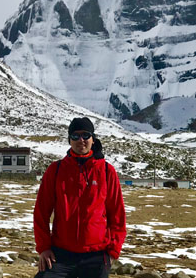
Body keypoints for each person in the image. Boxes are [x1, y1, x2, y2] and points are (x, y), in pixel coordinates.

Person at [33, 117, 127, 278]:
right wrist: (44, 248)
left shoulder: (106, 171)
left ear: (93, 139)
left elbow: (117, 214)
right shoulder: (56, 170)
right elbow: (41, 212)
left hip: (96, 255)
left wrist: (112, 252)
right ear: (69, 139)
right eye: (75, 136)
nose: (81, 140)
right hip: (60, 254)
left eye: (85, 135)